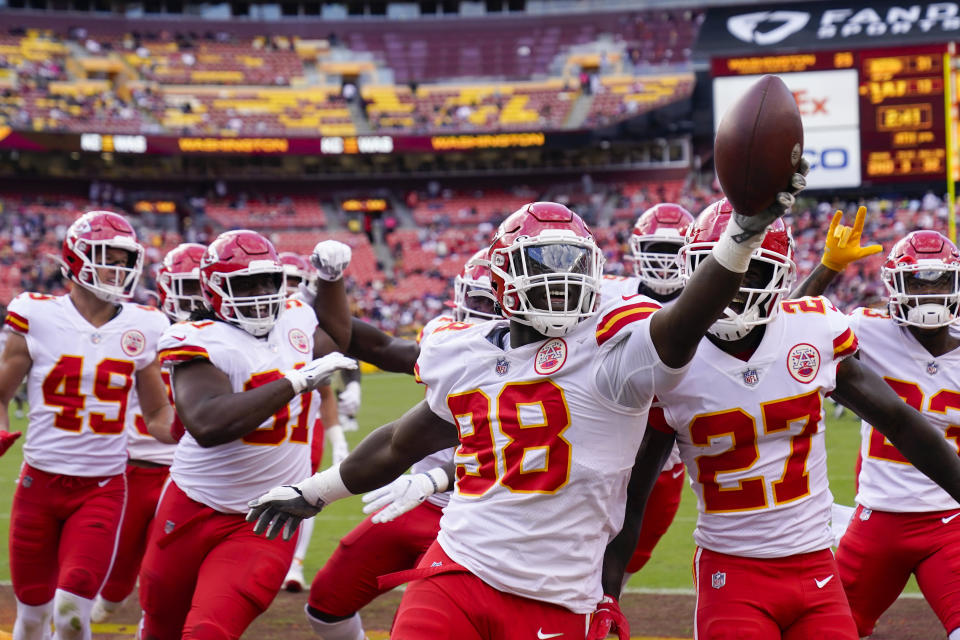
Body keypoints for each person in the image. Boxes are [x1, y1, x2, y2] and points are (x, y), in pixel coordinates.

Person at [248, 178, 808, 640]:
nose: (558, 280)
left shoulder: (615, 347)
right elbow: (401, 441)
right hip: (460, 569)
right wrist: (312, 492)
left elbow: (686, 320)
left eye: (571, 265)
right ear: (502, 275)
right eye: (541, 264)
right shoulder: (465, 351)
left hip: (561, 595)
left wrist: (738, 239)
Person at [611, 201, 960, 640]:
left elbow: (902, 422)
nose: (735, 288)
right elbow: (635, 493)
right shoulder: (670, 358)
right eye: (721, 272)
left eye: (753, 272)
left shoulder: (812, 330)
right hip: (732, 569)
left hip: (815, 566)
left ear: (780, 274)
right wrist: (607, 593)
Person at [137, 231, 356, 640]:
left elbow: (337, 339)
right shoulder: (197, 337)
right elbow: (207, 423)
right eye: (244, 284)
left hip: (265, 516)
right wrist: (292, 384)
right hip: (191, 505)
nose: (258, 294)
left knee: (209, 631)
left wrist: (331, 278)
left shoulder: (295, 318)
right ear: (215, 288)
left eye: (267, 282)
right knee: (159, 627)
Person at [301, 248, 495, 640]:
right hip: (417, 503)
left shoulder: (545, 362)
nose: (475, 310)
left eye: (486, 301)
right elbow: (376, 347)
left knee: (425, 627)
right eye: (473, 299)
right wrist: (328, 286)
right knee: (325, 605)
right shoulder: (447, 341)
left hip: (482, 518)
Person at [0, 211, 174, 640]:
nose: (118, 269)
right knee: (33, 617)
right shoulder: (35, 314)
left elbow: (156, 415)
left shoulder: (145, 325)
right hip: (38, 485)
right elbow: (0, 395)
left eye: (123, 259)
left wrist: (200, 431)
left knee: (73, 616)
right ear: (75, 258)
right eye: (107, 257)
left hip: (101, 490)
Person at [791, 213, 960, 639]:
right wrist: (828, 266)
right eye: (917, 283)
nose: (929, 295)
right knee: (828, 631)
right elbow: (787, 328)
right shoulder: (868, 328)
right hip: (877, 520)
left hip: (951, 521)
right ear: (894, 286)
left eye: (938, 282)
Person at [90, 242, 205, 623]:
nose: (193, 298)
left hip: (188, 473)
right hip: (133, 466)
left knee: (171, 570)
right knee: (115, 578)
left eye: (199, 287)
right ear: (165, 287)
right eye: (184, 287)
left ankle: (156, 622)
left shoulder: (226, 338)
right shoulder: (142, 327)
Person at [601, 203, 694, 588]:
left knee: (624, 567)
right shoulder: (606, 293)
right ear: (637, 248)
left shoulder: (710, 303)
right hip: (604, 453)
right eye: (657, 248)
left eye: (673, 251)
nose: (665, 260)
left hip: (666, 462)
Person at [279, 251, 353, 593]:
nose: (290, 289)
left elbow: (325, 392)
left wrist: (338, 440)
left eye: (297, 281)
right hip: (258, 430)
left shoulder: (304, 326)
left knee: (302, 493)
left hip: (301, 430)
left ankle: (294, 563)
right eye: (285, 280)